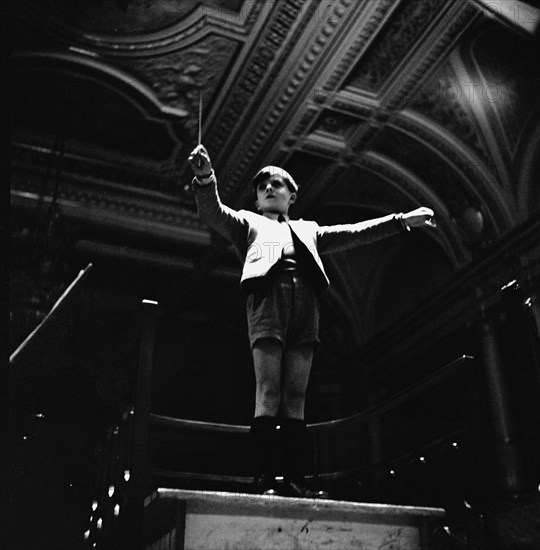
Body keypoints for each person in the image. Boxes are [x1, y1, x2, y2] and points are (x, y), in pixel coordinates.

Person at [187, 144, 435, 498]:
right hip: (268, 301)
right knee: (268, 391)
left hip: (306, 306)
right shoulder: (248, 222)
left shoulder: (309, 230)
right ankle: (266, 479)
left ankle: (296, 480)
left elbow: (354, 232)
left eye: (277, 184)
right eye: (263, 187)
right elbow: (213, 213)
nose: (269, 188)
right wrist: (204, 176)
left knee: (296, 397)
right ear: (257, 201)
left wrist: (400, 221)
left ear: (292, 196)